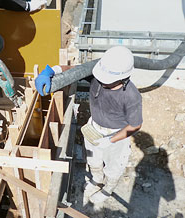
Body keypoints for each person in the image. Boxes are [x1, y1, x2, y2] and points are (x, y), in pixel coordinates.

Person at [35, 46, 143, 204]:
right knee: (94, 159)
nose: (102, 82)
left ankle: (108, 189)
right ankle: (97, 180)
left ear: (123, 78)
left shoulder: (131, 96)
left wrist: (111, 140)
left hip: (116, 135)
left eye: (108, 81)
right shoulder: (97, 76)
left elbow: (135, 125)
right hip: (93, 127)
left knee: (114, 167)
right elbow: (73, 70)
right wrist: (52, 70)